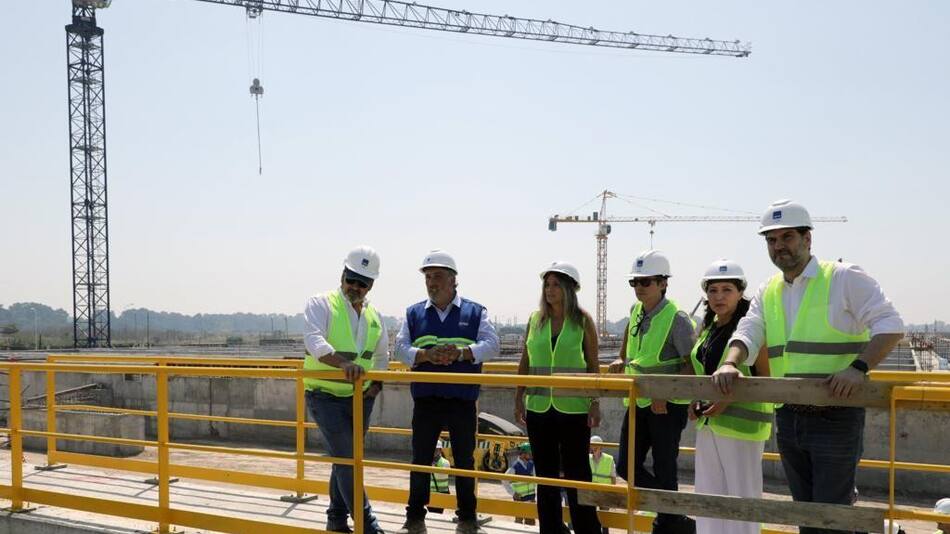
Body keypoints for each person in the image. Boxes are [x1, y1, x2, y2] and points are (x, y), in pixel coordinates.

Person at [712, 199, 904, 534]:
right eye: (771, 240)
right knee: (806, 514)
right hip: (789, 415)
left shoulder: (843, 277)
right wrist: (731, 363)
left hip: (836, 414)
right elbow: (749, 330)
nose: (778, 247)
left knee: (828, 516)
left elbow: (891, 325)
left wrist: (858, 368)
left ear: (808, 239)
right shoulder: (768, 289)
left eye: (787, 237)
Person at [395, 250, 500, 534]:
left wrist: (463, 353)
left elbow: (492, 344)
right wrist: (426, 356)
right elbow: (400, 348)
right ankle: (414, 517)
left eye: (438, 277)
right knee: (420, 459)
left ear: (453, 280)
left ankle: (467, 517)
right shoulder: (414, 313)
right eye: (428, 277)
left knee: (464, 460)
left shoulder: (475, 312)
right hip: (427, 399)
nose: (432, 283)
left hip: (461, 400)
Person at [608, 249, 696, 534]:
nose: (640, 288)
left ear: (663, 283)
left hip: (666, 408)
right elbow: (629, 347)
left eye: (646, 282)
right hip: (637, 402)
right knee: (625, 466)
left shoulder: (677, 319)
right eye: (635, 282)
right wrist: (621, 359)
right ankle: (675, 512)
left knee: (665, 467)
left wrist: (665, 394)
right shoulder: (636, 312)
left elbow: (691, 367)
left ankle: (668, 523)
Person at [303, 246, 388, 534]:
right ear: (342, 275)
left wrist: (376, 386)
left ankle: (336, 520)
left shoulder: (375, 316)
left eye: (362, 283)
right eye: (351, 279)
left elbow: (382, 356)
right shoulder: (321, 304)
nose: (355, 286)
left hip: (360, 398)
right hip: (324, 396)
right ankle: (368, 525)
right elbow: (314, 342)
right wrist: (343, 365)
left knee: (344, 460)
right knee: (348, 460)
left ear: (370, 286)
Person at [514, 261, 603, 534]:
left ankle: (586, 529)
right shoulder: (534, 319)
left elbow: (593, 363)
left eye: (556, 284)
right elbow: (525, 360)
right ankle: (551, 530)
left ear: (569, 289)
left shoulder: (583, 320)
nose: (550, 290)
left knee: (578, 476)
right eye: (547, 284)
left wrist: (595, 403)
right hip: (539, 408)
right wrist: (519, 396)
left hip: (574, 409)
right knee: (546, 477)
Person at [687, 259, 772, 534]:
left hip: (742, 427)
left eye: (726, 290)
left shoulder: (750, 330)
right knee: (708, 499)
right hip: (709, 424)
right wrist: (694, 400)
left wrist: (728, 399)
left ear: (740, 292)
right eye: (713, 290)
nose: (719, 297)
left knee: (742, 501)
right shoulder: (709, 328)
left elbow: (765, 379)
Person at [502, 443, 537, 525]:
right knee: (518, 523)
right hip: (519, 499)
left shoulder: (532, 465)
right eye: (529, 453)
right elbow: (504, 479)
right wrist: (513, 493)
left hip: (531, 499)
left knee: (531, 523)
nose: (531, 455)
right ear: (523, 454)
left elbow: (536, 480)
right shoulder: (515, 467)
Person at [589, 435, 617, 534]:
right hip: (591, 492)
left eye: (595, 448)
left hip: (604, 493)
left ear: (601, 448)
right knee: (591, 516)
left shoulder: (609, 459)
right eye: (591, 447)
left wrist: (612, 494)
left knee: (605, 518)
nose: (592, 450)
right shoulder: (587, 458)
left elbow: (613, 478)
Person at [428, 440, 451, 514]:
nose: (434, 451)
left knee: (438, 513)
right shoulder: (428, 461)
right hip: (430, 493)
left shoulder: (445, 462)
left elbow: (439, 472)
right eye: (432, 449)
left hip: (442, 493)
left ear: (440, 450)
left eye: (436, 449)